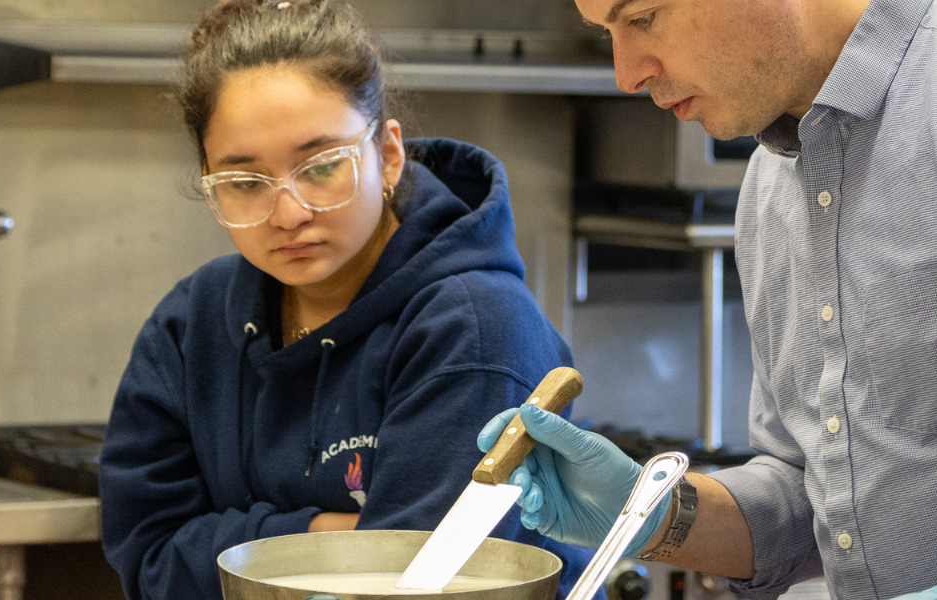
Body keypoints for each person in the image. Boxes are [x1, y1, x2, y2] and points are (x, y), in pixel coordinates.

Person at [479, 0, 937, 599]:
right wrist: (655, 514)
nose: (626, 74)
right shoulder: (768, 187)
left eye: (642, 18)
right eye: (604, 32)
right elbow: (814, 499)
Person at [97, 1, 592, 598]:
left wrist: (235, 550)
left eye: (322, 166)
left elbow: (422, 581)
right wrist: (325, 535)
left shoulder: (474, 329)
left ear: (387, 155)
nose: (289, 214)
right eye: (246, 183)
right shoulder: (191, 323)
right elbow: (147, 555)